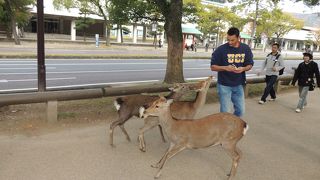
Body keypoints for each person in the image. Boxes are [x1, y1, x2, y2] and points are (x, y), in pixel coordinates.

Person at [210, 27, 254, 117]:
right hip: (224, 85)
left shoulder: (246, 49)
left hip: (238, 84)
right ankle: (225, 128)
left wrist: (243, 69)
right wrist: (225, 68)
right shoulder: (221, 50)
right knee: (225, 113)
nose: (230, 42)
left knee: (240, 111)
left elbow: (249, 65)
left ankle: (233, 124)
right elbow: (213, 67)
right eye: (228, 40)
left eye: (232, 40)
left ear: (239, 38)